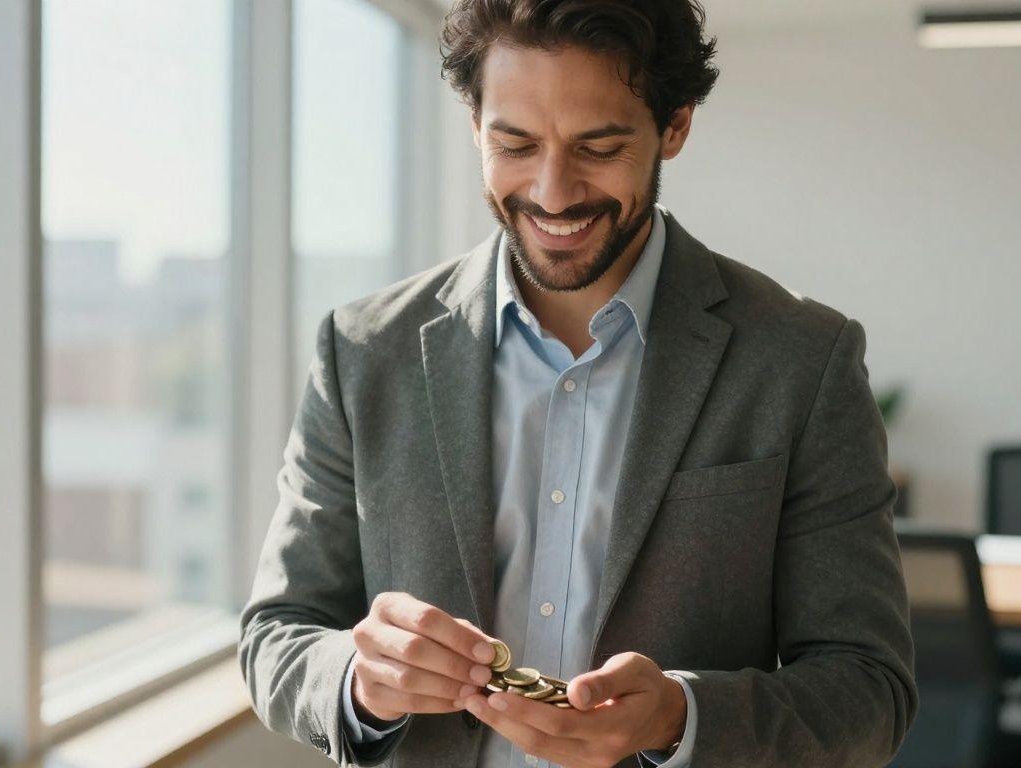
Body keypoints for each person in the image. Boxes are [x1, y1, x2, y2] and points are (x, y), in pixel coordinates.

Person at [239, 0, 917, 766]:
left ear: (675, 126)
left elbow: (869, 690)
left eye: (599, 147)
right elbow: (278, 634)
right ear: (474, 124)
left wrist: (682, 720)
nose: (554, 193)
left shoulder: (801, 358)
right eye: (516, 144)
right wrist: (361, 679)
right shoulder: (364, 351)